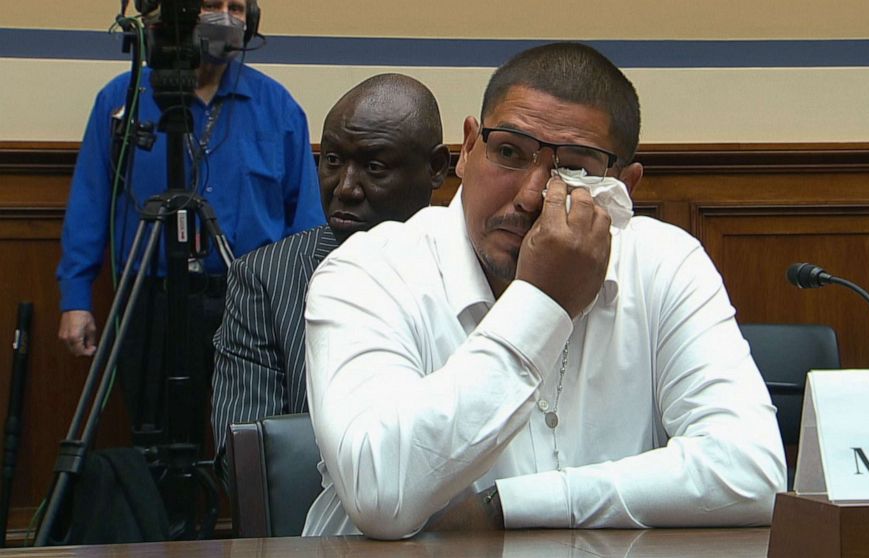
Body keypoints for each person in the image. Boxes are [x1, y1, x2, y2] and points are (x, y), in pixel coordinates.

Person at [303, 42, 786, 539]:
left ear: (623, 187)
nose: (532, 194)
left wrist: (510, 507)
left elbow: (751, 471)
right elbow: (381, 492)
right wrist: (543, 301)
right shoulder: (367, 271)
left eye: (574, 167)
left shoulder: (666, 263)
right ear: (469, 149)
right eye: (509, 152)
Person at [55, 0, 325, 437]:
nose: (224, 18)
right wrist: (75, 297)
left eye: (236, 7)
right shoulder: (123, 101)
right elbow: (90, 202)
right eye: (210, 5)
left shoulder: (279, 108)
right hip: (150, 301)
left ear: (251, 20)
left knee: (249, 442)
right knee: (153, 441)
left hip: (249, 304)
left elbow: (307, 223)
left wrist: (299, 311)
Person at [210, 73, 450, 473]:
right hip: (314, 529)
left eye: (374, 167)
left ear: (437, 168)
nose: (346, 188)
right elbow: (245, 460)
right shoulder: (266, 278)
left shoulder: (474, 271)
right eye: (333, 161)